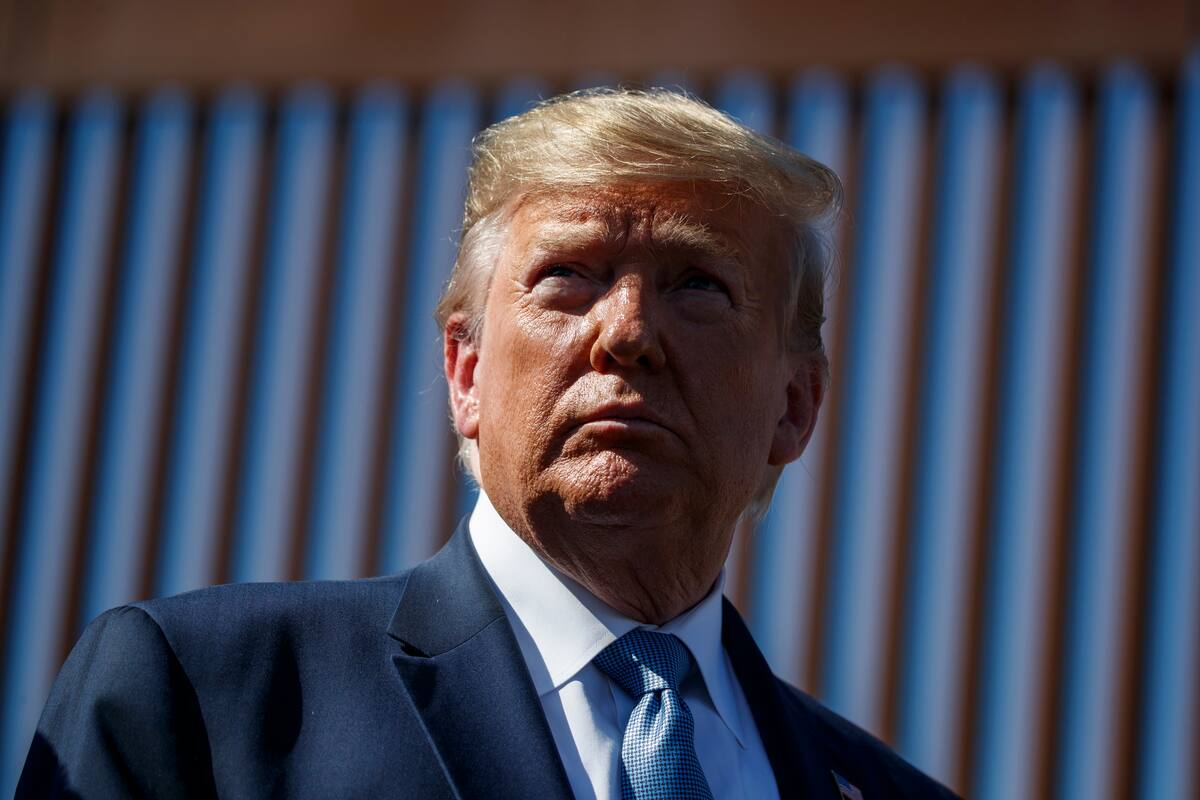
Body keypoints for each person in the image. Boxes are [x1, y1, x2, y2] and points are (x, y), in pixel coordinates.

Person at [18, 88, 958, 799]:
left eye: (698, 286)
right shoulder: (209, 700)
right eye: (568, 278)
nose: (625, 332)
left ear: (797, 404)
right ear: (466, 373)